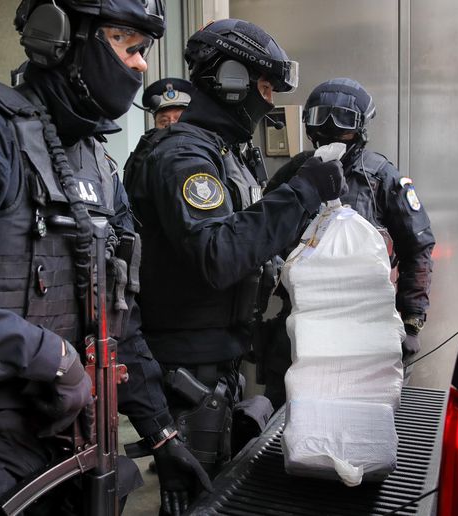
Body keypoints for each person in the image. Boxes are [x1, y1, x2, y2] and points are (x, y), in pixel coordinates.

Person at [0, 0, 210, 514]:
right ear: (60, 36)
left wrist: (160, 432)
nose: (140, 65)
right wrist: (52, 358)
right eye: (126, 44)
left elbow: (118, 318)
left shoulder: (93, 158)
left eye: (145, 50)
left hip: (73, 441)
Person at [124, 18, 348, 477]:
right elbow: (218, 255)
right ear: (231, 81)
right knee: (193, 494)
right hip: (186, 360)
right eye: (265, 87)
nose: (268, 101)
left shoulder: (225, 153)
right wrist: (300, 193)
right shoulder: (183, 156)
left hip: (218, 354)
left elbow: (247, 233)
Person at [260, 77, 436, 408]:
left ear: (360, 130)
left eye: (342, 127)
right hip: (299, 323)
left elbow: (418, 247)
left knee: (356, 421)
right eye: (320, 123)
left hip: (363, 327)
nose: (330, 135)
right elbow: (262, 237)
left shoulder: (382, 178)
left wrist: (411, 320)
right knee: (285, 421)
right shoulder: (292, 175)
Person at [122, 78, 192, 192]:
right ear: (155, 124)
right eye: (164, 122)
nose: (171, 126)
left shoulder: (206, 150)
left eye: (179, 120)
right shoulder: (142, 160)